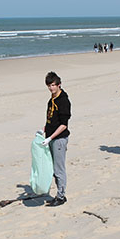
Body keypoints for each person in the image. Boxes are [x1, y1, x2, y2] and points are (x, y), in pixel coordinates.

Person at [41, 71, 71, 207]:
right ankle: (58, 194)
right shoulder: (51, 99)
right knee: (53, 168)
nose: (51, 88)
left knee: (59, 169)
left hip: (59, 139)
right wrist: (44, 131)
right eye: (49, 85)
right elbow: (50, 119)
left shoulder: (63, 100)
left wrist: (51, 138)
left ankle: (61, 196)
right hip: (51, 137)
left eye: (53, 85)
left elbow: (64, 124)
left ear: (59, 85)